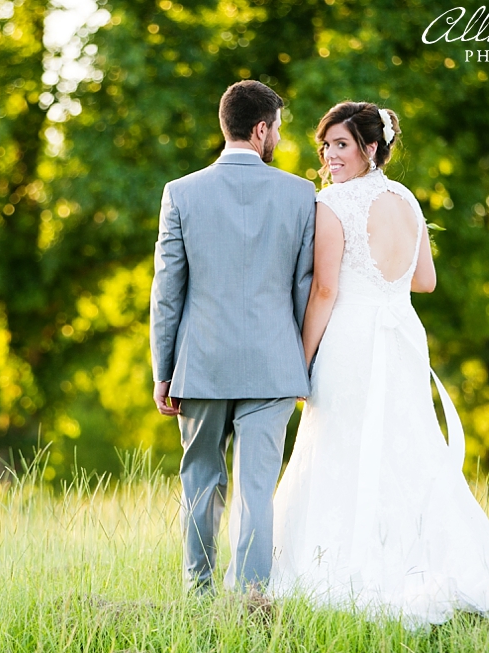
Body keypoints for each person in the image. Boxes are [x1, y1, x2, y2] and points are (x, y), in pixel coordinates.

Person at [270, 101, 489, 626]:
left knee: (342, 448)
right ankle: (424, 559)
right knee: (407, 447)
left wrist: (298, 363)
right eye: (325, 144)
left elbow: (325, 289)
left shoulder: (333, 203)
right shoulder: (408, 199)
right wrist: (384, 283)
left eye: (342, 144)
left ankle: (345, 566)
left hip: (353, 340)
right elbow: (426, 281)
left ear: (371, 147)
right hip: (401, 338)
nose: (329, 155)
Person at [150, 80, 316, 595]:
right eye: (279, 130)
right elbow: (305, 288)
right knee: (256, 490)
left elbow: (167, 291)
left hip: (201, 365)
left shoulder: (181, 192)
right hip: (273, 365)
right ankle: (250, 598)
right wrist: (300, 362)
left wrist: (163, 370)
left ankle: (197, 593)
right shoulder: (300, 193)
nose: (279, 139)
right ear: (261, 128)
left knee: (200, 484)